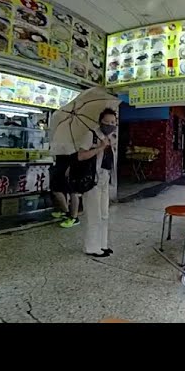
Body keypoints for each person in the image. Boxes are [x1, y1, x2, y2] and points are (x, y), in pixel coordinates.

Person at [77, 108, 117, 258]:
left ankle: (102, 244)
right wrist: (100, 147)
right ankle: (91, 247)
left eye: (112, 122)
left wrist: (108, 145)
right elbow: (81, 156)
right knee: (94, 215)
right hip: (92, 180)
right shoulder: (91, 135)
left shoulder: (110, 136)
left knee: (104, 214)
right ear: (100, 121)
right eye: (106, 122)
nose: (110, 124)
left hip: (105, 179)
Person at [50, 151, 80, 228]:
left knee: (72, 191)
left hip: (69, 165)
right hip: (61, 164)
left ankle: (74, 217)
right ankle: (66, 212)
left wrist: (71, 166)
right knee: (58, 189)